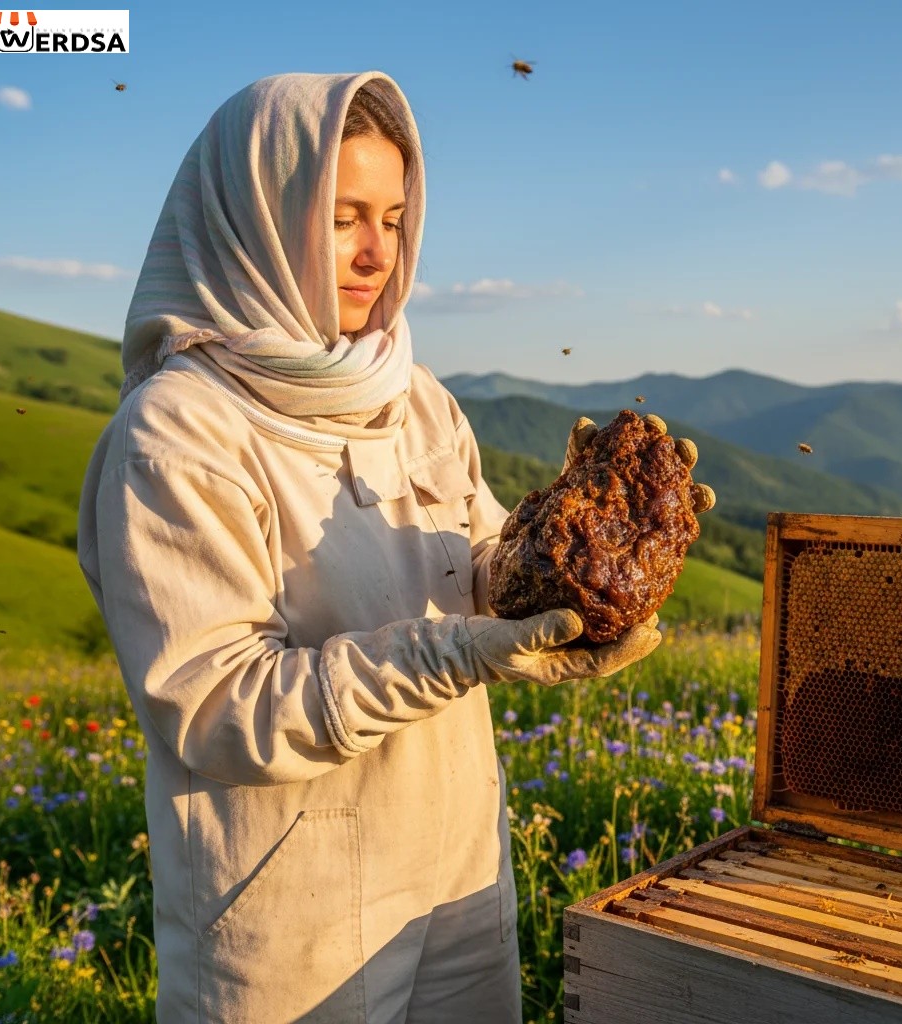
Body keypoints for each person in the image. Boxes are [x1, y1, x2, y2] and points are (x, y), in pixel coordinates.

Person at [76, 72, 715, 1024]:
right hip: (284, 924)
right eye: (340, 219)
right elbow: (217, 706)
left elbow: (479, 560)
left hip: (456, 880)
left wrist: (574, 552)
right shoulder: (178, 433)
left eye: (394, 216)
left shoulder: (413, 396)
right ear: (255, 215)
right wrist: (453, 652)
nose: (377, 252)